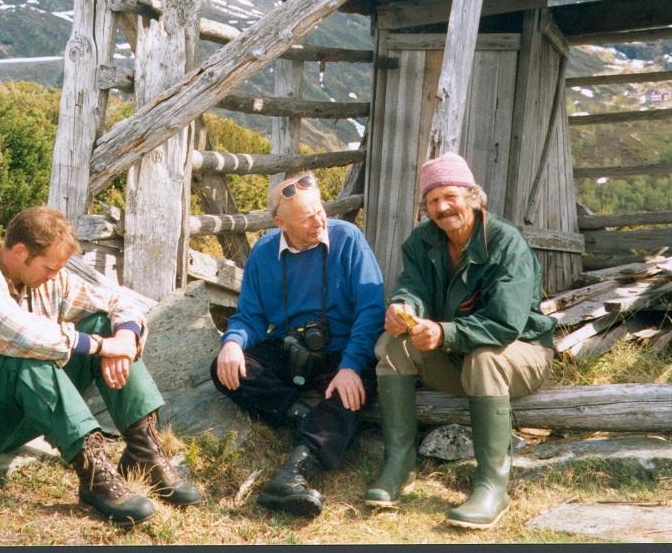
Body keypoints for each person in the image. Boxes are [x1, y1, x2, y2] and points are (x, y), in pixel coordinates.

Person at [0, 206, 200, 527]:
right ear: (20, 251)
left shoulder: (48, 279)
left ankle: (143, 451)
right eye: (49, 267)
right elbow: (23, 335)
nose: (55, 275)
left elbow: (117, 301)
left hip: (13, 417)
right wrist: (100, 346)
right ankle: (94, 474)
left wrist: (122, 338)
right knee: (26, 353)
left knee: (102, 322)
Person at [365, 152, 555, 529]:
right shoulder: (422, 241)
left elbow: (504, 324)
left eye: (450, 196)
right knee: (391, 345)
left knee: (486, 358)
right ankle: (400, 464)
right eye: (433, 201)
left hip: (521, 356)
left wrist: (444, 333)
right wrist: (404, 307)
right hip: (458, 357)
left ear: (473, 196)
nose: (442, 207)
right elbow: (413, 286)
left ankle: (491, 486)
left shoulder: (506, 243)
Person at [211, 172, 385, 517]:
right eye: (307, 217)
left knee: (351, 392)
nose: (319, 220)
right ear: (280, 222)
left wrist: (351, 366)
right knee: (226, 369)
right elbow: (251, 317)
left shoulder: (349, 239)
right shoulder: (263, 252)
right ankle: (305, 414)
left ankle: (294, 474)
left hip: (342, 351)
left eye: (320, 210)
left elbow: (371, 309)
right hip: (290, 349)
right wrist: (231, 343)